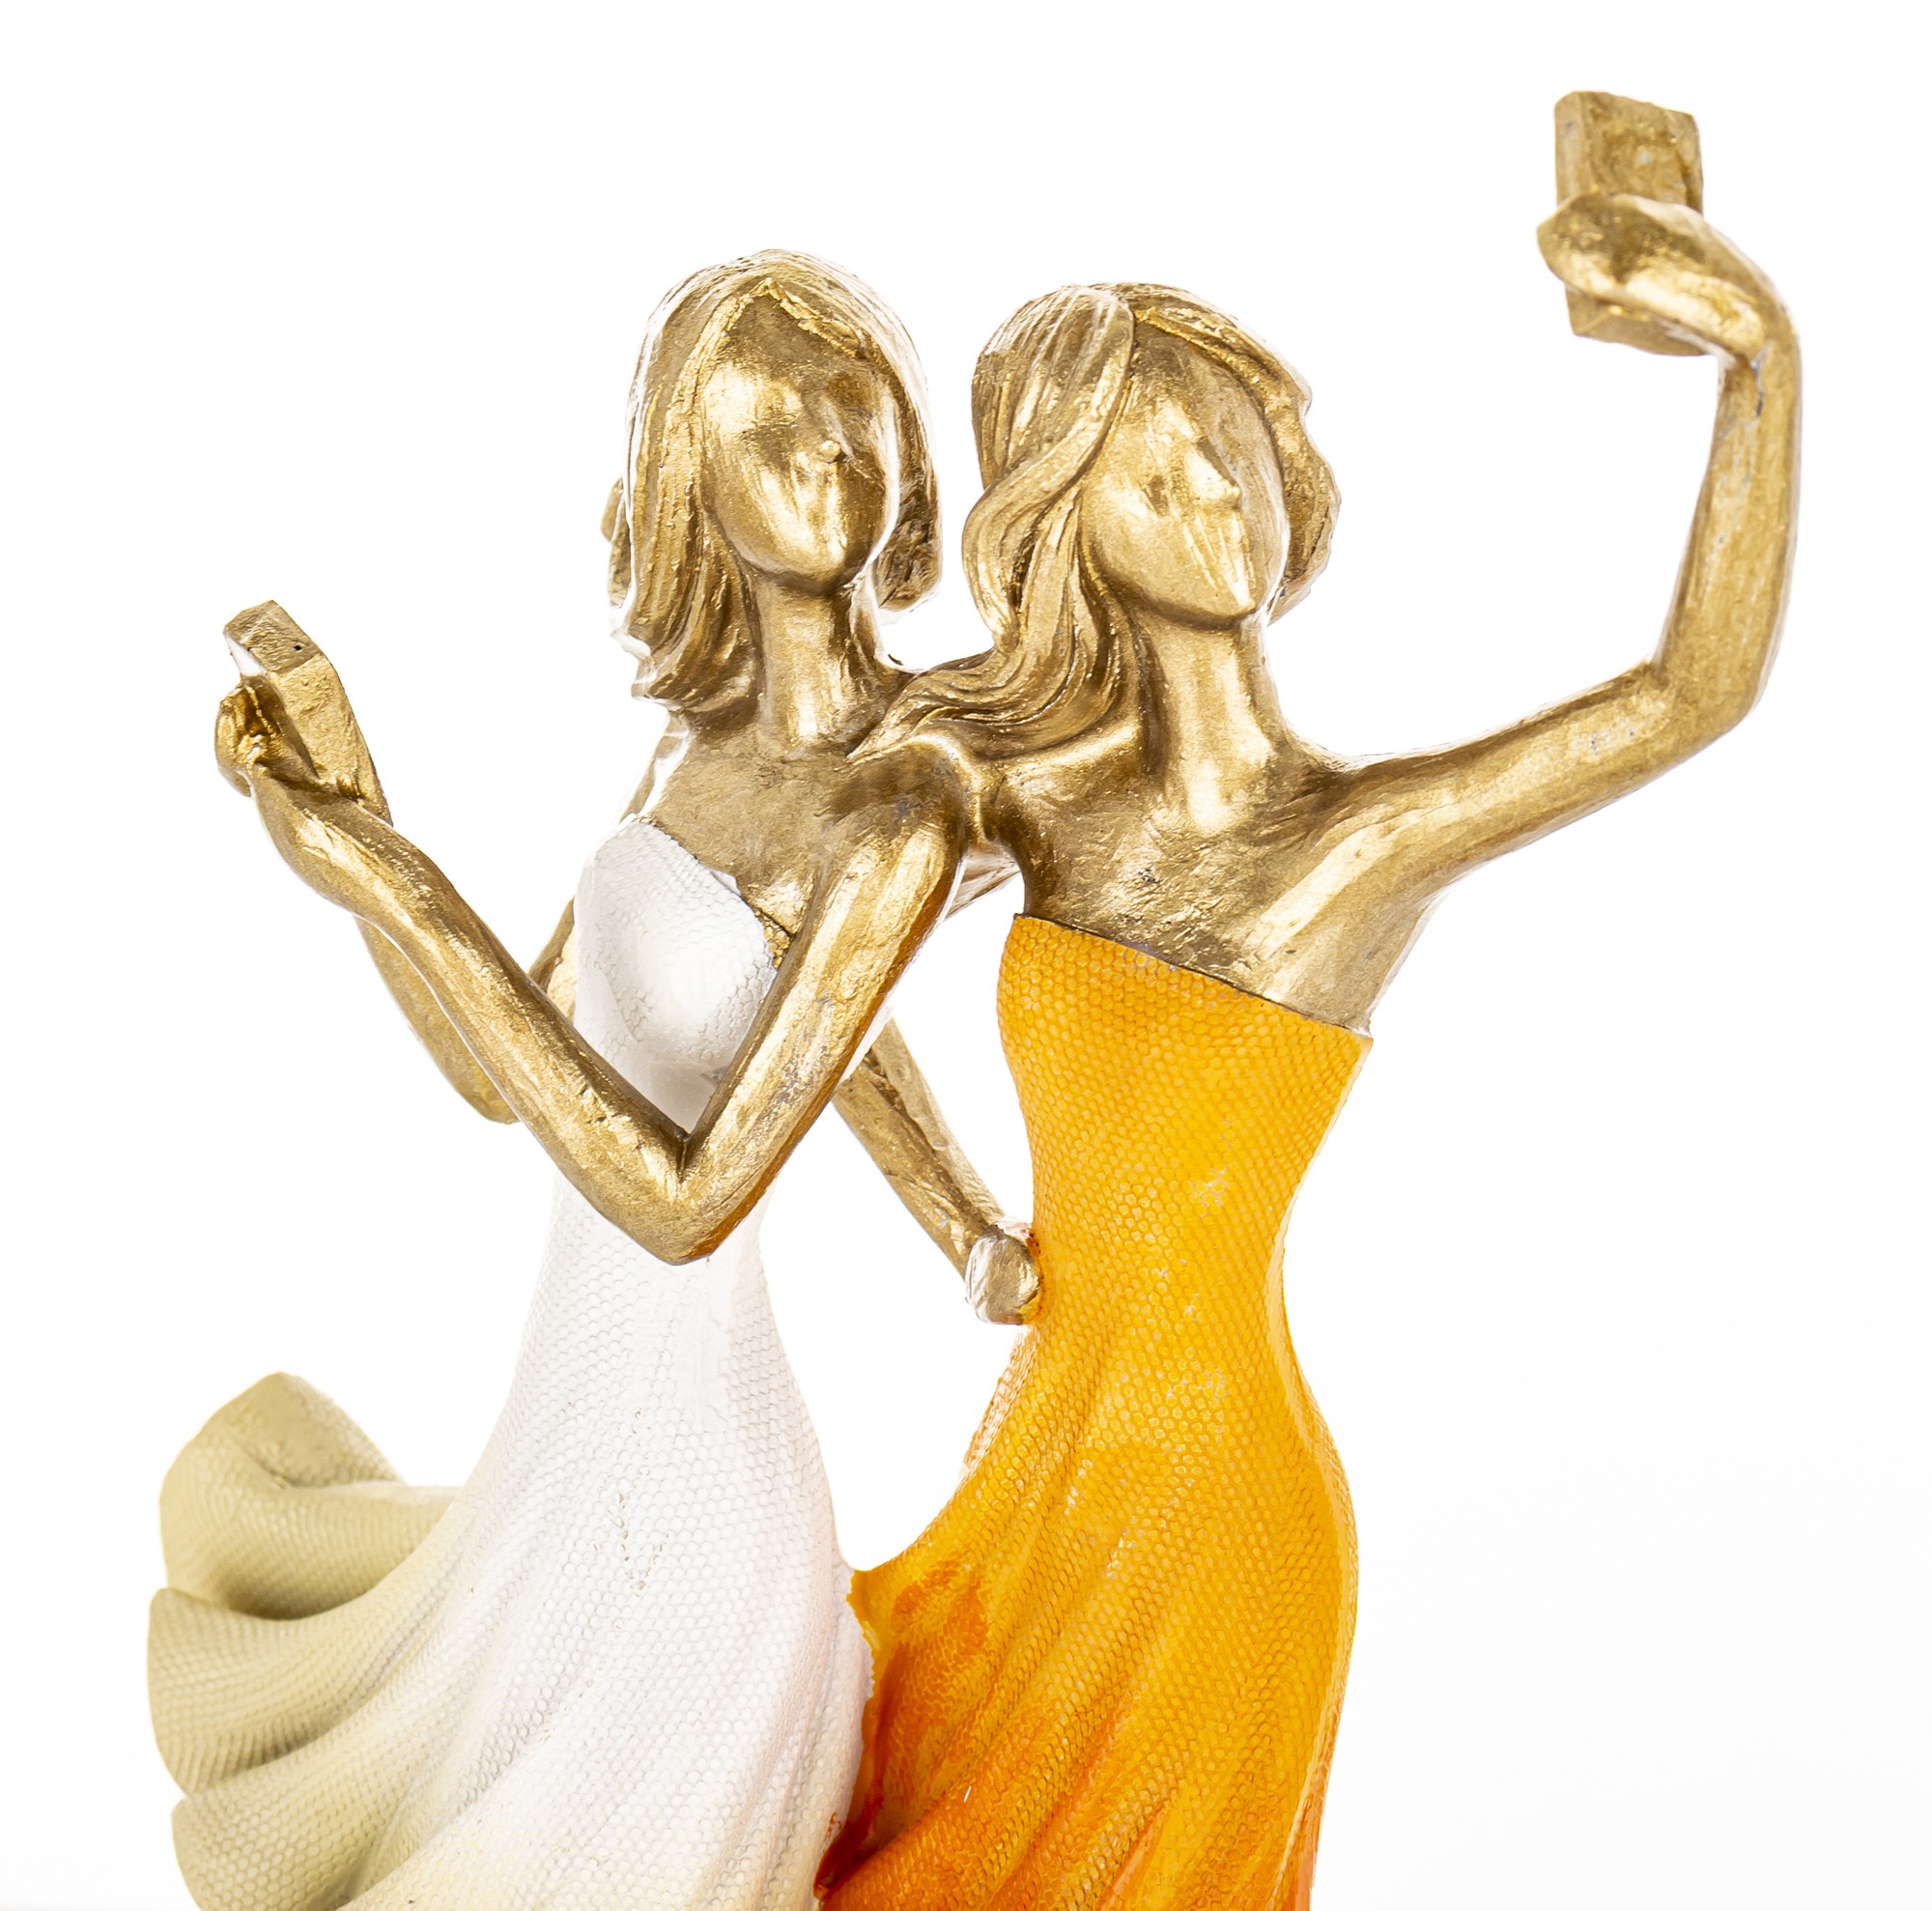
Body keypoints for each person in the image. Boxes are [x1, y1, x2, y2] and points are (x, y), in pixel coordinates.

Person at [817, 193, 1797, 1906]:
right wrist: (959, 1219)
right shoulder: (1024, 802)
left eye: (1229, 443)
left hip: (1229, 1515)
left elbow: (1688, 692)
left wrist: (1758, 367)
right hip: (1046, 1471)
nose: (1215, 493)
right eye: (1150, 468)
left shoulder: (1357, 846)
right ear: (1065, 526)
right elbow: (814, 999)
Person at [152, 251, 1031, 1911]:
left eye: (857, 420)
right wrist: (362, 825)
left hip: (699, 1493)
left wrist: (393, 882)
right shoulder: (691, 750)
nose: (827, 456)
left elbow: (689, 1199)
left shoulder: (911, 792)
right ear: (688, 477)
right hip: (567, 1423)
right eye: (771, 427)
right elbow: (512, 1072)